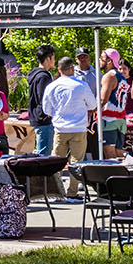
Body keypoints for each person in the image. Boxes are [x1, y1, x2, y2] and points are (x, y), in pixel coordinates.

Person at [37, 59, 97, 200]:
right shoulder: (81, 85)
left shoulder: (52, 86)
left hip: (60, 128)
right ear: (72, 69)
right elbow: (92, 105)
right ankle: (72, 192)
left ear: (59, 70)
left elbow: (46, 109)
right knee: (76, 162)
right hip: (78, 127)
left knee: (56, 161)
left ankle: (56, 191)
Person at [96, 48, 131, 158]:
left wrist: (91, 111)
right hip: (120, 119)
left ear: (109, 61)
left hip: (109, 120)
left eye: (102, 58)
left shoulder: (109, 76)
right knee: (118, 152)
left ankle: (119, 170)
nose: (99, 59)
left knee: (109, 153)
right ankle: (126, 168)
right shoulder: (122, 77)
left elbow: (103, 100)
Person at [26, 44, 58, 155]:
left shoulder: (36, 74)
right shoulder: (43, 76)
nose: (54, 61)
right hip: (44, 119)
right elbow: (44, 99)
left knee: (43, 151)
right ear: (48, 58)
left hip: (38, 118)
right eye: (53, 58)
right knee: (44, 154)